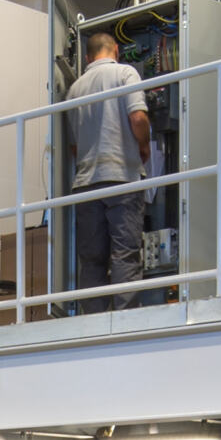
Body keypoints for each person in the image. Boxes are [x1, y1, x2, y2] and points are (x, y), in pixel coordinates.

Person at [65, 30, 154, 312]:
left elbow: (75, 147)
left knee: (91, 259)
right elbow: (138, 117)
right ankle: (126, 321)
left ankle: (93, 322)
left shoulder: (74, 89)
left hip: (85, 184)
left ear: (88, 58)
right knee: (125, 254)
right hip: (120, 177)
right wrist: (144, 146)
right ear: (116, 50)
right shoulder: (125, 74)